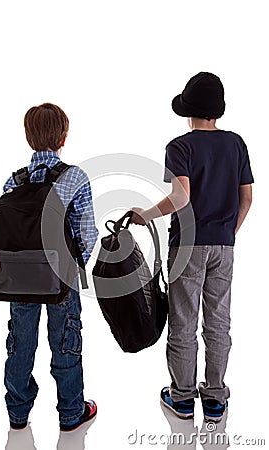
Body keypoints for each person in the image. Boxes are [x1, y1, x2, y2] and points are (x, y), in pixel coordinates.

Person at [131, 72, 253, 422]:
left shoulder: (180, 146)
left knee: (183, 322)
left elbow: (180, 197)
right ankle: (215, 398)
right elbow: (248, 197)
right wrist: (229, 231)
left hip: (187, 246)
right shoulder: (236, 144)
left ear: (189, 111)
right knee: (218, 322)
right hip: (223, 246)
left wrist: (146, 215)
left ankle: (182, 399)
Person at [3, 103, 98, 431]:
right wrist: (76, 264)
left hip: (20, 276)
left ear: (29, 137)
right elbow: (86, 230)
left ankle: (17, 414)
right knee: (65, 340)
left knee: (21, 341)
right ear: (64, 138)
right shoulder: (75, 177)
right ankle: (72, 412)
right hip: (62, 275)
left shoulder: (13, 182)